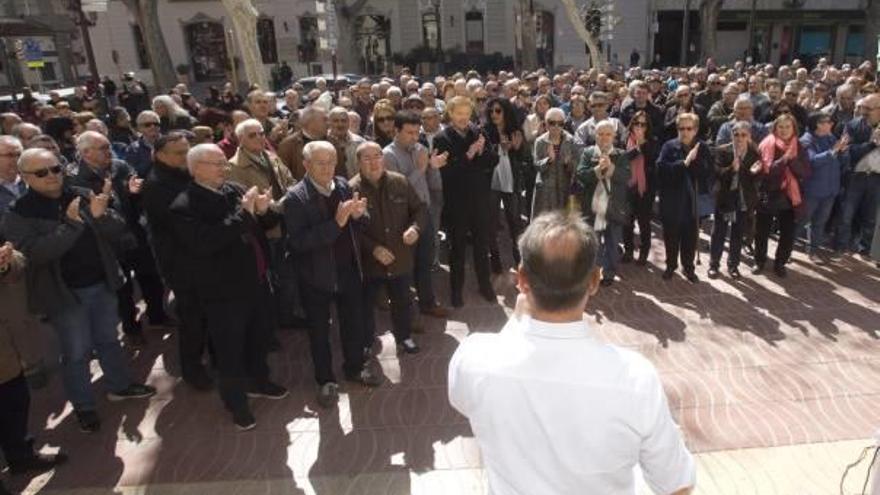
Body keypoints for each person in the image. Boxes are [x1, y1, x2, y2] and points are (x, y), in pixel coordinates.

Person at [448, 211, 695, 495]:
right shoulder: (636, 378)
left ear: (522, 279)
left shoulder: (473, 359)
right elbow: (677, 485)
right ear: (594, 281)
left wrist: (515, 325)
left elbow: (462, 398)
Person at [3, 148, 156, 433]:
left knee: (109, 339)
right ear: (25, 177)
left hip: (101, 282)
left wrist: (100, 216)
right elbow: (37, 253)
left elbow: (118, 228)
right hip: (65, 295)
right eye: (41, 172)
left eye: (55, 169)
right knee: (76, 352)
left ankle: (119, 386)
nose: (51, 176)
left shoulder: (81, 193)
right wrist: (72, 225)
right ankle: (84, 406)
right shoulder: (19, 213)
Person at [169, 143, 288, 430]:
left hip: (256, 282)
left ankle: (259, 380)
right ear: (196, 168)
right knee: (229, 351)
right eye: (217, 163)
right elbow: (206, 242)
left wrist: (264, 211)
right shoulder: (184, 205)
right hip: (223, 292)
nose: (224, 168)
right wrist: (245, 215)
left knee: (259, 338)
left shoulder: (233, 190)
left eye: (224, 163)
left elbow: (263, 224)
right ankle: (237, 404)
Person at [284, 141, 381, 408]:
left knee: (354, 324)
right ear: (306, 165)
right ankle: (325, 380)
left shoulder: (342, 186)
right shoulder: (295, 198)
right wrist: (335, 224)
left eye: (331, 162)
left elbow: (357, 225)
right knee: (319, 331)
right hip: (315, 277)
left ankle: (354, 368)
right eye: (320, 163)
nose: (328, 168)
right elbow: (298, 242)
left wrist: (360, 216)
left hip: (348, 270)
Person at [71, 131, 169, 342]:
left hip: (134, 232)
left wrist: (135, 192)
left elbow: (136, 189)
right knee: (122, 288)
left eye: (108, 146)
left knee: (150, 277)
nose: (109, 151)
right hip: (108, 241)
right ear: (86, 153)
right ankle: (131, 328)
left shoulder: (120, 167)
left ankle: (158, 316)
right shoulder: (76, 178)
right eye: (103, 148)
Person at [140, 132, 213, 390]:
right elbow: (182, 222)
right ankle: (193, 371)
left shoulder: (182, 174)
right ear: (160, 155)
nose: (186, 156)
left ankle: (212, 360)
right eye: (179, 153)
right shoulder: (156, 184)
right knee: (192, 320)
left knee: (207, 315)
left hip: (201, 259)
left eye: (187, 150)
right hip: (181, 264)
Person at [0, 241, 68, 481]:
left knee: (15, 401)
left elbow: (19, 263)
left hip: (7, 346)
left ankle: (21, 457)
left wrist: (7, 262)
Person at [350, 142, 425, 354]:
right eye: (367, 158)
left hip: (399, 257)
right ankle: (366, 343)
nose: (374, 162)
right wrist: (373, 249)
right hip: (369, 262)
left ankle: (404, 337)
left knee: (402, 301)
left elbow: (419, 210)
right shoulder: (350, 189)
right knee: (365, 306)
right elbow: (349, 229)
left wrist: (415, 229)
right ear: (358, 162)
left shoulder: (399, 182)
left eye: (378, 156)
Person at [227, 118, 299, 330]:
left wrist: (280, 204)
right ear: (240, 140)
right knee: (270, 279)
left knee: (286, 275)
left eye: (261, 133)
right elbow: (243, 203)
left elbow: (291, 183)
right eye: (252, 135)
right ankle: (272, 322)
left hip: (285, 222)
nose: (259, 138)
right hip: (263, 231)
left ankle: (286, 316)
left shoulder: (272, 157)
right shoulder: (233, 167)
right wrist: (269, 207)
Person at [382, 111, 450, 317]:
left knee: (425, 260)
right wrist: (421, 168)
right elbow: (398, 191)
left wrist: (434, 168)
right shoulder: (387, 155)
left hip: (424, 213)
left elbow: (433, 184)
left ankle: (428, 302)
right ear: (396, 131)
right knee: (405, 267)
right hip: (402, 218)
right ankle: (408, 313)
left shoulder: (421, 148)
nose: (414, 137)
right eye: (409, 132)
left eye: (416, 132)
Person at [433, 96, 498, 307]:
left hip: (479, 199)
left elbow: (493, 159)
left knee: (482, 245)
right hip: (456, 202)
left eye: (466, 113)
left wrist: (480, 153)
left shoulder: (478, 132)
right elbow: (447, 173)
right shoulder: (442, 138)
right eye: (458, 113)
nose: (463, 118)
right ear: (450, 114)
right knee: (457, 248)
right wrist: (469, 156)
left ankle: (485, 285)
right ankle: (456, 290)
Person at [656, 113, 713, 283]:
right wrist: (683, 163)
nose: (685, 132)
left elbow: (708, 172)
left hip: (692, 201)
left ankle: (688, 267)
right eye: (681, 128)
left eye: (689, 128)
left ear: (695, 130)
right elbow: (661, 170)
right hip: (673, 200)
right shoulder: (669, 146)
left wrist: (695, 163)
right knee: (671, 236)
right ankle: (670, 265)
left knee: (690, 237)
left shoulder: (702, 147)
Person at [754, 113, 810, 277]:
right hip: (768, 193)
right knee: (761, 232)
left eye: (788, 127)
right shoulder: (766, 144)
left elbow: (805, 172)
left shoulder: (798, 146)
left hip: (789, 196)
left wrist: (791, 160)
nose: (784, 130)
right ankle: (759, 261)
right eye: (781, 127)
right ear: (775, 128)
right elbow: (767, 171)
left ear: (794, 128)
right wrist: (783, 160)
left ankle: (780, 263)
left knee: (787, 233)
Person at [576, 120, 631, 286]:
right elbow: (581, 175)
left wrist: (611, 168)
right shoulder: (588, 153)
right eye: (600, 134)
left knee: (613, 242)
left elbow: (626, 177)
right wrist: (598, 170)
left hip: (613, 207)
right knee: (592, 243)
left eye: (608, 134)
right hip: (592, 207)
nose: (604, 138)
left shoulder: (621, 154)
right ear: (595, 135)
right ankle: (592, 273)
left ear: (614, 136)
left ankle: (609, 273)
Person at [709, 121, 761, 279]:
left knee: (738, 234)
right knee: (719, 232)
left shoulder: (754, 152)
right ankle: (714, 265)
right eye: (736, 134)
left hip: (743, 200)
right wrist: (732, 169)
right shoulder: (723, 151)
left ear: (749, 136)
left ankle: (733, 265)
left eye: (743, 135)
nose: (739, 138)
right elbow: (717, 174)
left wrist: (753, 172)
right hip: (726, 198)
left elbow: (754, 179)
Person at [799, 112, 849, 261]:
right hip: (812, 191)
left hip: (830, 190)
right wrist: (833, 151)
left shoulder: (831, 138)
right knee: (801, 221)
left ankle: (812, 251)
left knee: (820, 223)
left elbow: (839, 162)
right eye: (827, 121)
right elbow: (812, 161)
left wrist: (843, 152)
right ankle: (786, 249)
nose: (831, 124)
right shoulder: (807, 140)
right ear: (817, 125)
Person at [485, 97, 525, 273]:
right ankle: (495, 259)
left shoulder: (515, 131)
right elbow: (483, 157)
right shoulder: (485, 131)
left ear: (506, 112)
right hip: (492, 183)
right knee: (492, 223)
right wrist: (497, 148)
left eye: (498, 111)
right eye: (491, 111)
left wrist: (516, 148)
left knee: (514, 222)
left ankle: (519, 258)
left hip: (511, 182)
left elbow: (525, 159)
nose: (494, 114)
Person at [837, 94, 880, 256]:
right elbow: (847, 150)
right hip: (856, 176)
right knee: (847, 215)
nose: (864, 112)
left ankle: (865, 249)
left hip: (876, 178)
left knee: (871, 217)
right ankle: (842, 246)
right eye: (863, 108)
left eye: (869, 109)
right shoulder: (852, 125)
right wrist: (870, 144)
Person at [621, 110, 659, 265]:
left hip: (645, 188)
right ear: (632, 124)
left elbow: (653, 161)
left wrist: (643, 144)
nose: (639, 127)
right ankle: (629, 250)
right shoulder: (624, 139)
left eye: (643, 124)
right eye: (636, 123)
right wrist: (636, 148)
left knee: (644, 222)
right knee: (627, 222)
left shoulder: (653, 140)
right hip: (627, 186)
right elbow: (622, 159)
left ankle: (644, 252)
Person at [277, 106, 328, 180]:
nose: (328, 123)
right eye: (325, 120)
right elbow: (283, 177)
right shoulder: (288, 145)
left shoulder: (332, 142)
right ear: (311, 122)